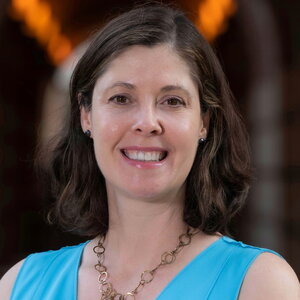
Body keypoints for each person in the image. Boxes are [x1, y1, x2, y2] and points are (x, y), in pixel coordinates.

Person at [0, 3, 299, 300]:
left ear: (204, 122)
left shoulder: (260, 284)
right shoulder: (19, 285)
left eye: (172, 101)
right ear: (86, 115)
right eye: (121, 98)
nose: (147, 123)